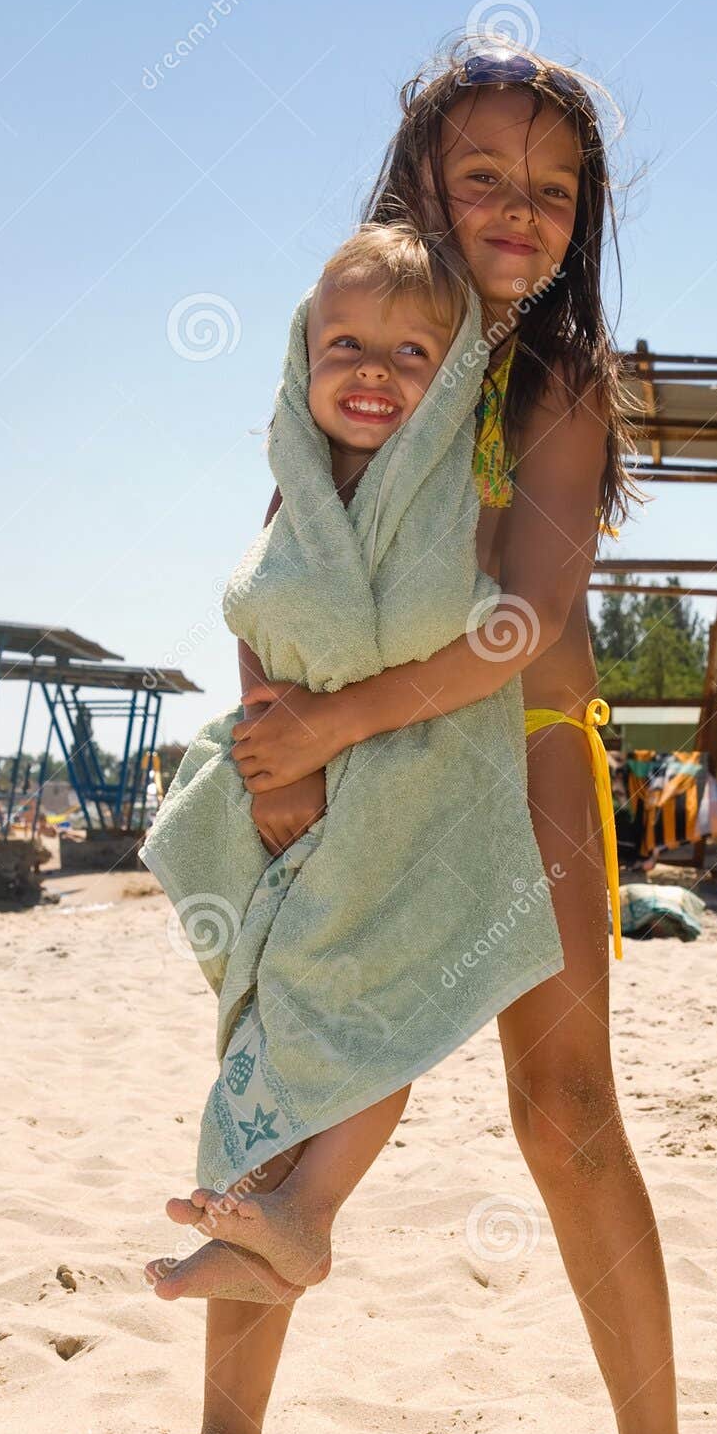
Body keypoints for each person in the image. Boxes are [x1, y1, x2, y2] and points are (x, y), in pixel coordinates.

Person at [161, 40, 697, 1434]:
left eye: (551, 190)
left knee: (565, 1103)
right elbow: (289, 569)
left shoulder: (556, 380)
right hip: (360, 753)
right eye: (481, 179)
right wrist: (274, 746)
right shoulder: (361, 353)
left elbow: (522, 618)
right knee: (290, 1081)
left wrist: (331, 728)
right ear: (418, 189)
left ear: (581, 215)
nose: (517, 210)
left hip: (522, 752)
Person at [148, 224, 512, 1306]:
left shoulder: (461, 483)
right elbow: (259, 614)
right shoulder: (296, 485)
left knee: (367, 1000)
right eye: (344, 344)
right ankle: (258, 1208)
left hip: (422, 776)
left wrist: (336, 730)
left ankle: (304, 1212)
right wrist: (274, 757)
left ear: (450, 379)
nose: (372, 371)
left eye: (411, 354)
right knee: (281, 998)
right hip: (297, 780)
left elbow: (496, 632)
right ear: (301, 356)